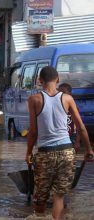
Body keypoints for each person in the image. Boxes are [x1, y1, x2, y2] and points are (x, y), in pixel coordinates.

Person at [26, 66, 94, 220]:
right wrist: (89, 150)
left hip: (45, 154)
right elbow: (81, 127)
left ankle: (40, 217)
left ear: (40, 81)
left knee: (40, 197)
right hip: (66, 152)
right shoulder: (67, 98)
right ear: (57, 80)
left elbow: (33, 132)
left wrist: (29, 152)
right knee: (59, 196)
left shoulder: (34, 99)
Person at [58, 83, 81, 149]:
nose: (61, 94)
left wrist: (77, 141)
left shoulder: (74, 109)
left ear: (70, 94)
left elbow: (79, 126)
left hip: (72, 137)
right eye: (59, 92)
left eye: (64, 92)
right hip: (60, 137)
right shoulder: (56, 107)